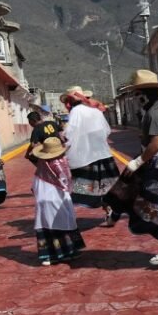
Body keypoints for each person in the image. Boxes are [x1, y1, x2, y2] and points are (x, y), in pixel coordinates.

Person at [104, 69, 158, 265]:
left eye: (137, 94)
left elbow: (156, 144)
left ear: (146, 93)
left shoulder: (155, 112)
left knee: (150, 207)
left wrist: (137, 162)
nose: (136, 98)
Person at [60, 86, 120, 224]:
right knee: (106, 187)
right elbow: (106, 130)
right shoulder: (95, 111)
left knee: (80, 188)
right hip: (103, 156)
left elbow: (71, 133)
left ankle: (67, 219)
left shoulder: (76, 111)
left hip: (86, 159)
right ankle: (110, 212)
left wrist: (65, 140)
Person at [31, 137, 85, 266]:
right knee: (64, 223)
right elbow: (68, 183)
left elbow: (34, 187)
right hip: (59, 200)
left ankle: (49, 255)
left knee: (48, 225)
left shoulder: (41, 168)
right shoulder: (61, 164)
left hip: (44, 201)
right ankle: (68, 252)